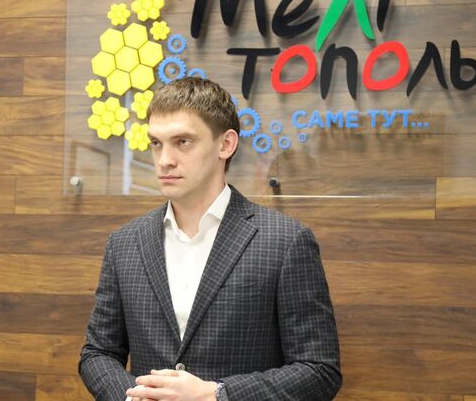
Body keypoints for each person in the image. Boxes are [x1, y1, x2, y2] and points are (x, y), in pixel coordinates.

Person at [79, 77, 342, 401]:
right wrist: (132, 396)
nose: (164, 160)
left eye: (183, 142)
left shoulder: (286, 241)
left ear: (225, 144)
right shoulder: (124, 243)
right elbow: (98, 353)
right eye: (156, 143)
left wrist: (217, 395)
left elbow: (320, 370)